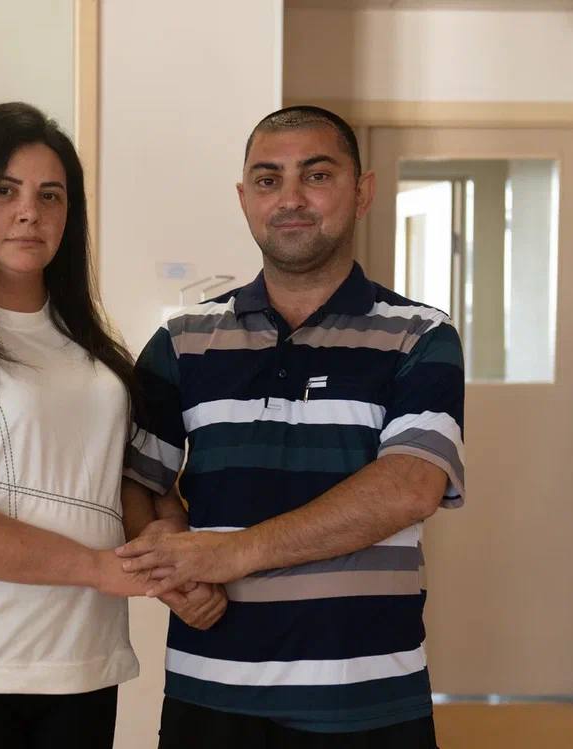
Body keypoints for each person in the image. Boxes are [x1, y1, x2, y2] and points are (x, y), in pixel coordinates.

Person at [0, 102, 225, 749]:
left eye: (49, 195)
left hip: (78, 662)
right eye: (5, 191)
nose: (30, 211)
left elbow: (119, 482)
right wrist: (96, 568)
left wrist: (166, 552)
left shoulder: (89, 347)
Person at [118, 105, 465, 748]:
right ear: (245, 199)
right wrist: (175, 571)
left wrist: (231, 553)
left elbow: (410, 486)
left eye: (317, 175)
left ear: (362, 192)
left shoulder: (420, 335)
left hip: (366, 695)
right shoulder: (182, 340)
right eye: (268, 179)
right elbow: (136, 484)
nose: (291, 198)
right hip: (210, 689)